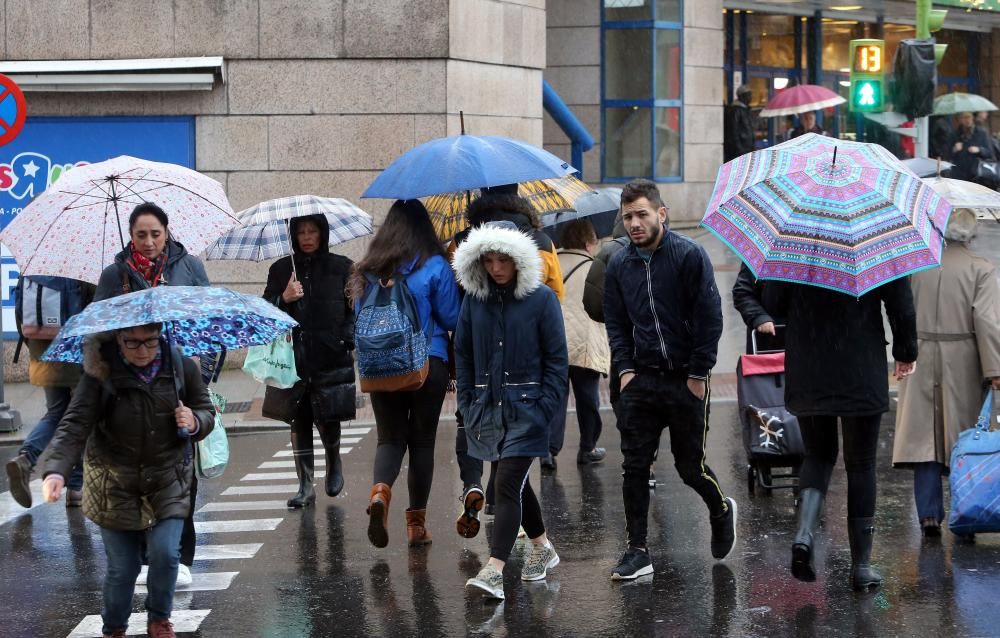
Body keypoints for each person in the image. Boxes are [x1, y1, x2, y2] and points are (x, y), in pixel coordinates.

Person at [40, 323, 215, 638]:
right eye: (132, 343)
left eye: (149, 342)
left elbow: (205, 410)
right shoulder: (100, 374)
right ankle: (114, 628)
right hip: (113, 482)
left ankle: (159, 620)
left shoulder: (180, 366)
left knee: (165, 553)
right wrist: (56, 470)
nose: (143, 351)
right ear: (117, 339)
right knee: (123, 569)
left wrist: (194, 421)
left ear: (159, 335)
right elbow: (74, 424)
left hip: (167, 479)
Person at [604, 179, 736, 581]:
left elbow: (710, 317)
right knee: (634, 466)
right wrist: (625, 370)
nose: (634, 223)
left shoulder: (688, 256)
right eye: (627, 216)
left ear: (662, 213)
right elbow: (616, 322)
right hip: (641, 381)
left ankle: (720, 509)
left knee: (689, 467)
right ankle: (637, 550)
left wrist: (698, 374)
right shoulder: (618, 264)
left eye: (642, 214)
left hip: (685, 380)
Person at [93, 202, 210, 587]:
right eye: (140, 235)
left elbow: (207, 321)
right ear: (130, 236)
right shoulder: (115, 275)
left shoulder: (188, 267)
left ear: (167, 232)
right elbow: (100, 328)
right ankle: (146, 555)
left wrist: (200, 373)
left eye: (154, 233)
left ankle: (182, 556)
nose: (148, 242)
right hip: (133, 385)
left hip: (178, 378)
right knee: (141, 473)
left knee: (181, 472)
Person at [777, 275, 917, 590]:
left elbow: (773, 303)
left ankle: (804, 535)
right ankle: (862, 566)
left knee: (818, 454)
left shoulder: (797, 239)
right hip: (859, 362)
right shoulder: (875, 239)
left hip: (809, 365)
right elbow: (901, 304)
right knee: (862, 462)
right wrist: (906, 350)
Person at [453, 221, 568, 600]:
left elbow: (556, 361)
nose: (496, 267)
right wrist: (468, 401)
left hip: (529, 409)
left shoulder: (541, 299)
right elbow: (464, 354)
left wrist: (545, 408)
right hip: (488, 409)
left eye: (503, 259)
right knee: (515, 483)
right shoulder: (475, 300)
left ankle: (495, 568)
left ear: (518, 259)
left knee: (503, 484)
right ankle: (542, 546)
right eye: (488, 259)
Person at [349, 199, 460, 549]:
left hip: (382, 366)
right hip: (428, 363)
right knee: (422, 442)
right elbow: (453, 317)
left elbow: (358, 315)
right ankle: (416, 526)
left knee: (390, 438)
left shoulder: (367, 269)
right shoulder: (435, 266)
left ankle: (381, 493)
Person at [893, 209, 1000, 537]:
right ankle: (966, 510)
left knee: (924, 439)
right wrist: (994, 369)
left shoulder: (917, 265)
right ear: (971, 235)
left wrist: (902, 352)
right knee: (964, 439)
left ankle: (928, 515)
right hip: (963, 357)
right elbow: (987, 321)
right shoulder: (981, 269)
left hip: (919, 354)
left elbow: (900, 310)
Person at [262, 214, 356, 507]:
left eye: (312, 231)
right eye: (300, 232)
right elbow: (265, 310)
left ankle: (334, 461)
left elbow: (354, 309)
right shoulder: (280, 270)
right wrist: (283, 299)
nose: (306, 237)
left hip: (331, 354)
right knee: (299, 419)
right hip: (295, 358)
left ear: (322, 233)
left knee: (329, 417)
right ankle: (305, 484)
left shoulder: (342, 267)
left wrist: (345, 339)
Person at [5, 278, 93, 509]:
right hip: (75, 344)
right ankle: (75, 487)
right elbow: (94, 310)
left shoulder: (36, 266)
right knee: (78, 413)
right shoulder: (80, 270)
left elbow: (19, 313)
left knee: (57, 410)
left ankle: (26, 458)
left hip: (40, 344)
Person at [553, 220, 609, 465]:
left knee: (555, 398)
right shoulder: (593, 267)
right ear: (588, 242)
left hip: (554, 342)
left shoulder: (552, 263)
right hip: (584, 343)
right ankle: (587, 447)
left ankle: (548, 451)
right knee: (588, 399)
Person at [731, 264, 783, 354]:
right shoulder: (763, 256)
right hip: (768, 342)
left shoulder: (813, 261)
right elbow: (742, 292)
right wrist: (759, 317)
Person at [947, 111, 996, 182]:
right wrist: (954, 149)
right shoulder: (954, 134)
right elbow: (946, 155)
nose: (967, 120)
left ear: (973, 118)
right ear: (960, 120)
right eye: (964, 117)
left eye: (969, 117)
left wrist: (979, 150)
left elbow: (990, 153)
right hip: (959, 174)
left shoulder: (981, 133)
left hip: (977, 174)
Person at [723, 84, 755, 162]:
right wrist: (739, 149)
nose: (751, 98)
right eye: (749, 95)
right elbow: (733, 132)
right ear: (742, 96)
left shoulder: (746, 110)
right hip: (740, 151)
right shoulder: (735, 111)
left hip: (747, 149)